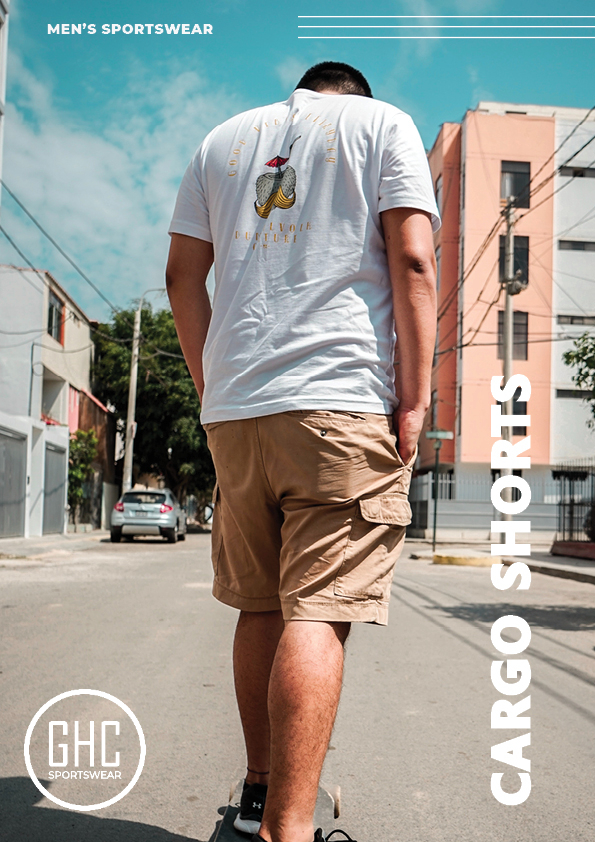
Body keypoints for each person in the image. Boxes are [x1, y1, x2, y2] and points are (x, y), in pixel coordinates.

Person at [166, 61, 439, 842]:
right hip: (341, 400)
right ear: (353, 97)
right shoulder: (383, 126)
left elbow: (183, 277)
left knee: (260, 603)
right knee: (316, 610)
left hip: (237, 410)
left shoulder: (219, 141)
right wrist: (413, 400)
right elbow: (413, 262)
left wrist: (212, 386)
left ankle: (259, 792)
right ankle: (288, 829)